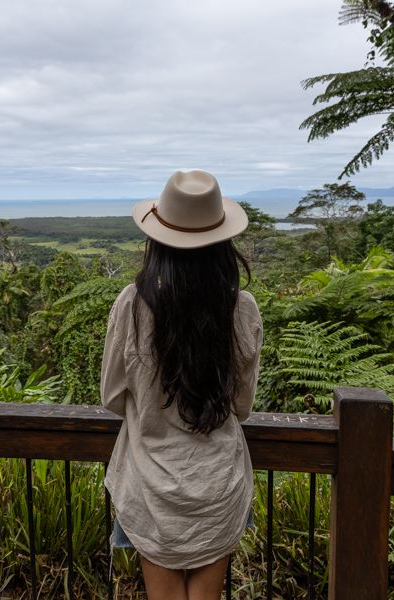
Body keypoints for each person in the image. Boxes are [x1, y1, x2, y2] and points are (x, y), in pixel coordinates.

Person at [101, 169, 263, 600]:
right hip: (216, 482)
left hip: (151, 482)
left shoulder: (133, 306)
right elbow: (242, 407)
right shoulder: (241, 310)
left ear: (156, 243)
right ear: (222, 244)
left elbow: (112, 395)